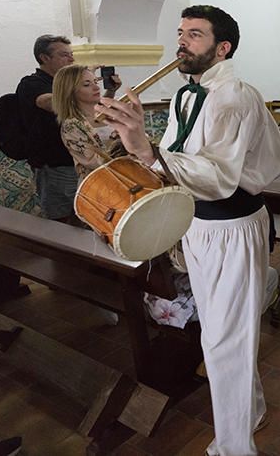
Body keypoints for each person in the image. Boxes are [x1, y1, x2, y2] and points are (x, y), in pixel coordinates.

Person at [97, 5, 280, 455]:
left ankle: (234, 447)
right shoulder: (189, 94)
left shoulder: (235, 96)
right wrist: (136, 143)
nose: (182, 42)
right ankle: (253, 408)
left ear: (222, 48)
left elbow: (219, 177)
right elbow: (169, 161)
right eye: (181, 33)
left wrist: (145, 150)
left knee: (227, 341)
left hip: (233, 227)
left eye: (195, 35)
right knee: (220, 333)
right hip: (199, 224)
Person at [52, 65, 200, 329]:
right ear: (70, 91)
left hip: (131, 182)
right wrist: (129, 148)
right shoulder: (72, 124)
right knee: (125, 245)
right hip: (104, 192)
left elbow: (137, 140)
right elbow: (96, 161)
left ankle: (169, 293)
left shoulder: (105, 111)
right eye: (86, 84)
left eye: (95, 80)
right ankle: (137, 301)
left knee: (158, 232)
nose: (95, 86)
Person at [17, 35, 83, 220]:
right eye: (64, 55)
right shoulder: (31, 83)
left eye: (71, 54)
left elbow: (89, 111)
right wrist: (79, 86)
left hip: (78, 161)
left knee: (86, 217)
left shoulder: (70, 86)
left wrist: (108, 91)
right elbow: (49, 103)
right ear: (44, 58)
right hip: (54, 164)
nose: (71, 59)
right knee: (61, 219)